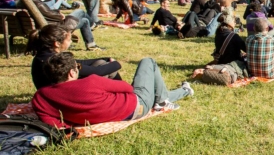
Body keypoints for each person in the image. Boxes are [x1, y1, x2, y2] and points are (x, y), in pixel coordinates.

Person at [32, 52, 193, 128]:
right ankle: (166, 99)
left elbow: (51, 121)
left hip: (118, 114)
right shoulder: (91, 82)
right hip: (137, 106)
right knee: (148, 61)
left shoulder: (41, 97)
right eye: (78, 67)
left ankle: (183, 91)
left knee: (157, 94)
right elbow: (127, 88)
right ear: (72, 72)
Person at [27, 24, 121, 90]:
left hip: (51, 93)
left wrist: (106, 59)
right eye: (68, 40)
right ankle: (126, 94)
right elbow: (98, 71)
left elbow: (79, 62)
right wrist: (116, 63)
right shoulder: (57, 61)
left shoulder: (44, 55)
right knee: (105, 69)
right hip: (60, 96)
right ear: (57, 44)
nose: (71, 42)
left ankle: (124, 92)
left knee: (101, 63)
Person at [18, 0, 102, 51]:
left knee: (84, 20)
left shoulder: (21, 2)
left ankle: (91, 43)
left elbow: (46, 13)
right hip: (53, 27)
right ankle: (93, 26)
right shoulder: (35, 3)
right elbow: (50, 14)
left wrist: (56, 13)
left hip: (46, 25)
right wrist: (59, 15)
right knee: (80, 11)